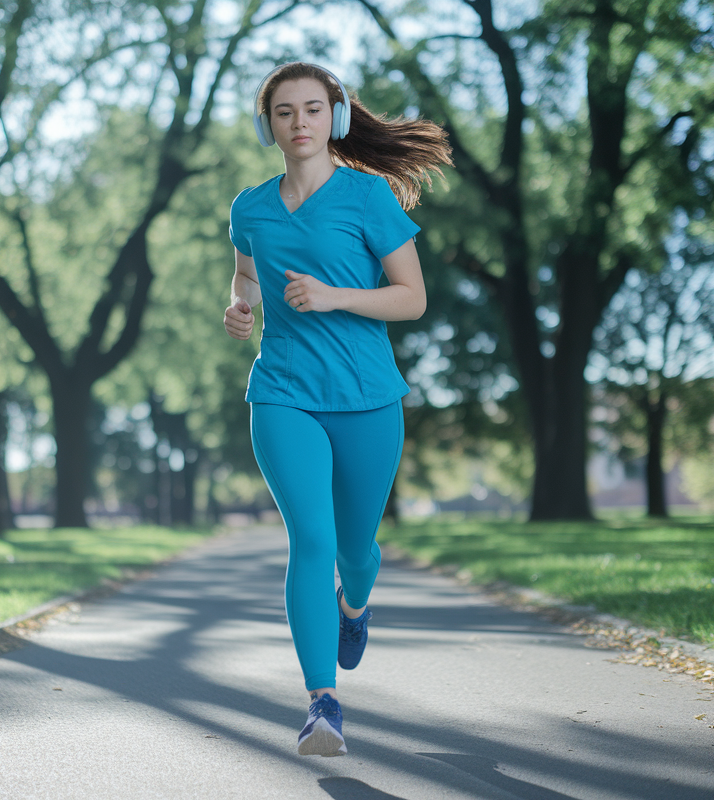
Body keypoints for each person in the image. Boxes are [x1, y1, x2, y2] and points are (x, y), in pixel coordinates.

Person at [224, 62, 452, 757]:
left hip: (367, 398)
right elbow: (243, 277)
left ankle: (355, 606)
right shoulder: (250, 207)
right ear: (269, 125)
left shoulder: (368, 196)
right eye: (286, 112)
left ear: (337, 118)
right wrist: (239, 308)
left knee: (355, 552)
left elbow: (411, 297)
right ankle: (322, 704)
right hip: (283, 394)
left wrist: (335, 295)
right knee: (312, 543)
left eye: (313, 109)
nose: (300, 123)